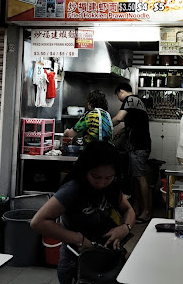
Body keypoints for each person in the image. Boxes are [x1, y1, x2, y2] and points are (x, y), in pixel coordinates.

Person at [31, 140, 135, 284]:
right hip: (78, 262)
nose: (101, 183)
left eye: (108, 178)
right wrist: (78, 239)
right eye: (96, 177)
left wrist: (125, 227)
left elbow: (128, 210)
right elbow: (38, 222)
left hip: (106, 257)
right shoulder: (73, 189)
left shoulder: (112, 187)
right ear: (84, 169)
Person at [112, 82, 151, 223]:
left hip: (139, 146)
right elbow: (134, 123)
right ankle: (136, 208)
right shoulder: (137, 101)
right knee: (135, 178)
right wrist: (121, 132)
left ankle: (146, 211)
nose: (118, 99)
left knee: (140, 178)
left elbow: (118, 118)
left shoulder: (131, 100)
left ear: (121, 91)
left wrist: (103, 125)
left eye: (117, 95)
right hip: (137, 145)